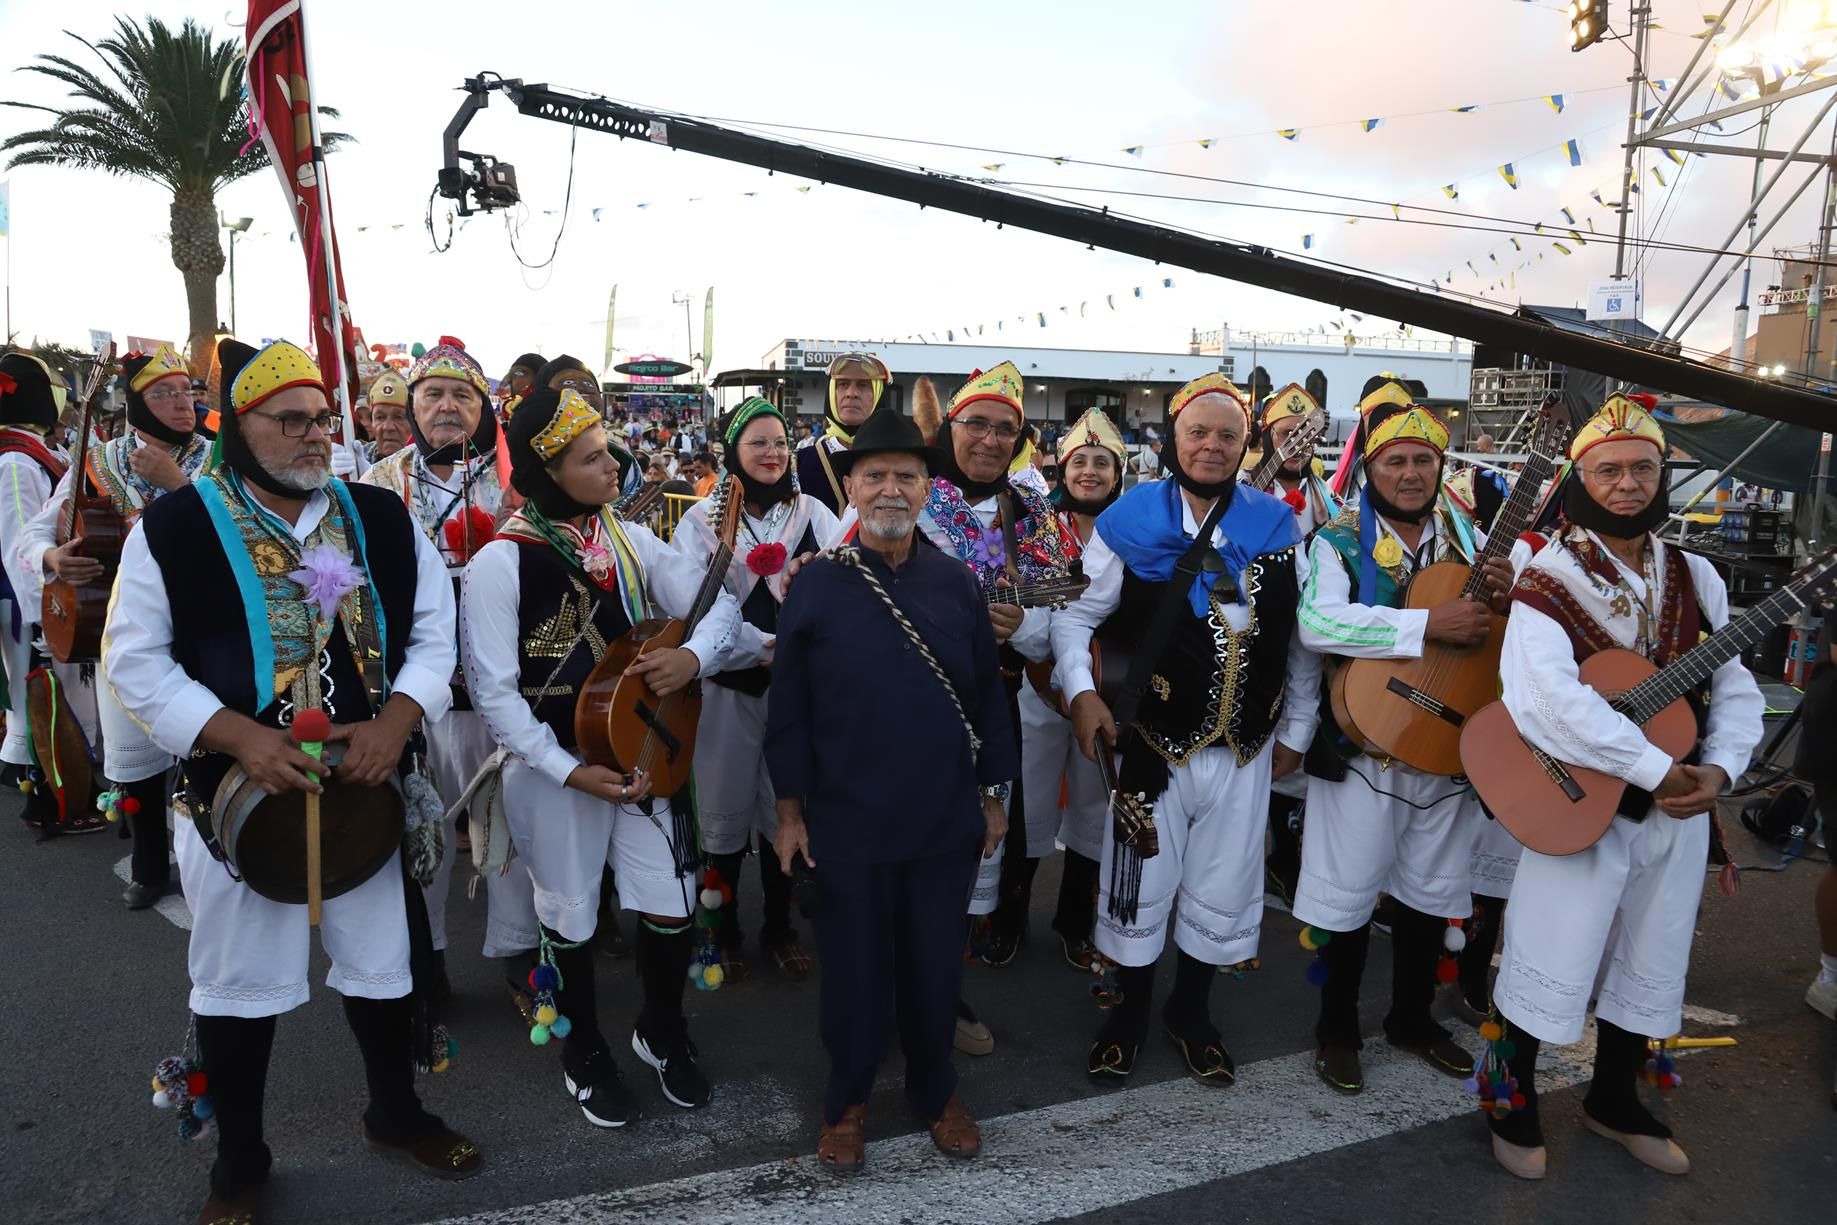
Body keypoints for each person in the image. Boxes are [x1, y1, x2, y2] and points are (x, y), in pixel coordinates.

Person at [104, 337, 482, 1224]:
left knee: (384, 964)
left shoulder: (383, 517)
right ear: (236, 428)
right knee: (241, 978)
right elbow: (133, 658)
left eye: (322, 419)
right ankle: (240, 1158)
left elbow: (434, 631)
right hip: (240, 799)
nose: (316, 436)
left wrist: (397, 721)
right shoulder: (174, 525)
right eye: (291, 421)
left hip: (368, 786)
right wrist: (240, 736)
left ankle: (395, 1112)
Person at [1482, 395, 1763, 1180]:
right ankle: (1509, 1101)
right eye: (1609, 469)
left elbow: (1733, 685)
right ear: (1579, 478)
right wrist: (1648, 765)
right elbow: (1542, 700)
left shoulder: (1694, 573)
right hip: (1578, 802)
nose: (1628, 482)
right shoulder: (1547, 573)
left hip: (1674, 805)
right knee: (1546, 948)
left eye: (1643, 466)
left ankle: (1612, 1097)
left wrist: (1722, 768)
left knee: (1652, 948)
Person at [460, 386, 742, 1128]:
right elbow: (494, 693)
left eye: (609, 447)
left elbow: (724, 607)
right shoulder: (500, 562)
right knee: (573, 913)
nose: (614, 462)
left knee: (670, 899)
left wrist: (691, 658)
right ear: (548, 470)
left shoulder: (630, 539)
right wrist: (566, 769)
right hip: (556, 771)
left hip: (646, 751)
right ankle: (583, 1048)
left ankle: (659, 1026)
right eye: (591, 457)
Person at [765, 407, 1017, 1175]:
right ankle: (845, 1102)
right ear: (850, 486)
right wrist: (788, 810)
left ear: (926, 487)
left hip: (941, 816)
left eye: (906, 474)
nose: (889, 488)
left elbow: (986, 696)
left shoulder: (954, 582)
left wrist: (993, 793)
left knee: (936, 964)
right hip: (846, 821)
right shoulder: (817, 586)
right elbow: (789, 707)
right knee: (852, 971)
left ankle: (935, 1092)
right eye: (873, 474)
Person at [1053, 376, 1316, 1082]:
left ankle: (1190, 1012)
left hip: (1245, 747)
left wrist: (1297, 724)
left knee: (1224, 883)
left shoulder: (1277, 524)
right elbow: (1074, 616)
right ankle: (1129, 1012)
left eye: (1227, 435)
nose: (1211, 445)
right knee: (1138, 878)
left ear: (1245, 444)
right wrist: (1081, 694)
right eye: (1198, 432)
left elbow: (1296, 638)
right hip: (1150, 743)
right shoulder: (1128, 520)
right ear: (1172, 439)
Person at [1293, 393, 1512, 1096]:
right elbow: (1317, 624)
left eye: (1423, 459)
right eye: (1396, 460)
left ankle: (1411, 1019)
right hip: (1364, 744)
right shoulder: (1335, 540)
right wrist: (1422, 625)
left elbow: (1494, 634)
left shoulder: (1470, 542)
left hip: (1445, 743)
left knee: (1428, 893)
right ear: (1371, 469)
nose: (1411, 472)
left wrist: (1507, 599)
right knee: (1347, 895)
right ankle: (1335, 1028)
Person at [361, 339, 537, 1011]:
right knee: (421, 823)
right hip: (415, 687)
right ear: (411, 406)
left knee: (511, 820)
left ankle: (519, 951)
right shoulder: (379, 483)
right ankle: (426, 956)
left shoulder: (517, 479)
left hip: (503, 683)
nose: (446, 405)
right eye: (432, 393)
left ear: (482, 408)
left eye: (462, 394)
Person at [22, 343, 214, 899]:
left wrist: (176, 481)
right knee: (137, 758)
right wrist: (54, 559)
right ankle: (150, 864)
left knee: (202, 743)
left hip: (199, 624)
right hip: (121, 624)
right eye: (164, 394)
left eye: (187, 392)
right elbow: (39, 529)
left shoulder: (217, 459)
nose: (182, 404)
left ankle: (210, 856)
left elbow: (237, 530)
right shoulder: (97, 459)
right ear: (136, 403)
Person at [674, 397, 840, 982]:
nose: (771, 454)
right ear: (732, 453)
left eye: (779, 442)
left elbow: (844, 582)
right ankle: (719, 929)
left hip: (797, 695)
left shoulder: (816, 513)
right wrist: (764, 647)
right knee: (721, 819)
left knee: (786, 809)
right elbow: (697, 609)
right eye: (757, 444)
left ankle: (778, 925)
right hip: (726, 691)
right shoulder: (701, 522)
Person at [1013, 408, 1122, 970]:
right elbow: (1015, 596)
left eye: (1102, 462)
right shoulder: (1034, 526)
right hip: (1036, 682)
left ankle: (1074, 922)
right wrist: (1042, 657)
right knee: (1025, 799)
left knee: (1092, 804)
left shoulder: (1132, 529)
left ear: (1117, 474)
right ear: (1063, 469)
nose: (1089, 471)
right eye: (1080, 460)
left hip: (1102, 689)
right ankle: (1008, 915)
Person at [0, 351, 75, 830]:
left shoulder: (30, 453)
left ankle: (40, 785)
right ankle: (45, 798)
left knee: (40, 699)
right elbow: (21, 543)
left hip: (29, 596)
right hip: (23, 598)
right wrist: (41, 613)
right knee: (38, 696)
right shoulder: (15, 460)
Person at [797, 353, 889, 514]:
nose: (851, 393)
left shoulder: (899, 460)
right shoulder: (799, 463)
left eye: (863, 385)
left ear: (878, 394)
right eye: (842, 384)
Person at [366, 369, 412, 462]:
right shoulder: (358, 458)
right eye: (380, 417)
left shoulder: (429, 467)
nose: (388, 427)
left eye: (399, 417)